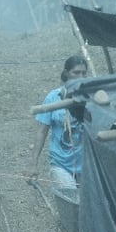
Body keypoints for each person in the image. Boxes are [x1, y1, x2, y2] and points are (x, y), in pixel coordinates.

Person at [32, 55, 89, 192]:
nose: (80, 76)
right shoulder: (53, 97)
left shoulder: (90, 97)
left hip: (86, 164)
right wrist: (33, 165)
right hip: (60, 163)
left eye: (83, 73)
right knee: (71, 199)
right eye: (76, 73)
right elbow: (42, 131)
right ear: (66, 73)